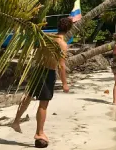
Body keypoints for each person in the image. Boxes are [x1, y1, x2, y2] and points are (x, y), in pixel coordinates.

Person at [11, 17, 72, 147]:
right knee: (43, 105)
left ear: (58, 26)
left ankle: (16, 121)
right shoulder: (62, 44)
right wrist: (65, 83)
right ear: (69, 29)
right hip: (47, 73)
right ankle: (39, 132)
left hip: (37, 70)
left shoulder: (47, 38)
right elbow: (61, 66)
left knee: (28, 96)